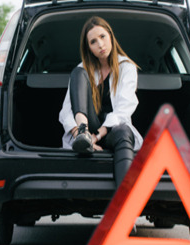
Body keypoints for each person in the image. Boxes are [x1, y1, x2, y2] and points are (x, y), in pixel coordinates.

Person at [58, 16, 143, 187]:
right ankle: (82, 132)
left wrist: (96, 137)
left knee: (124, 132)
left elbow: (124, 109)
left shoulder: (127, 67)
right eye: (93, 42)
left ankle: (125, 201)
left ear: (110, 36)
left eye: (103, 37)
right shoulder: (82, 71)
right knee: (78, 71)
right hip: (87, 129)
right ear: (89, 48)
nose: (100, 45)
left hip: (111, 130)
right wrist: (80, 135)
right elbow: (66, 111)